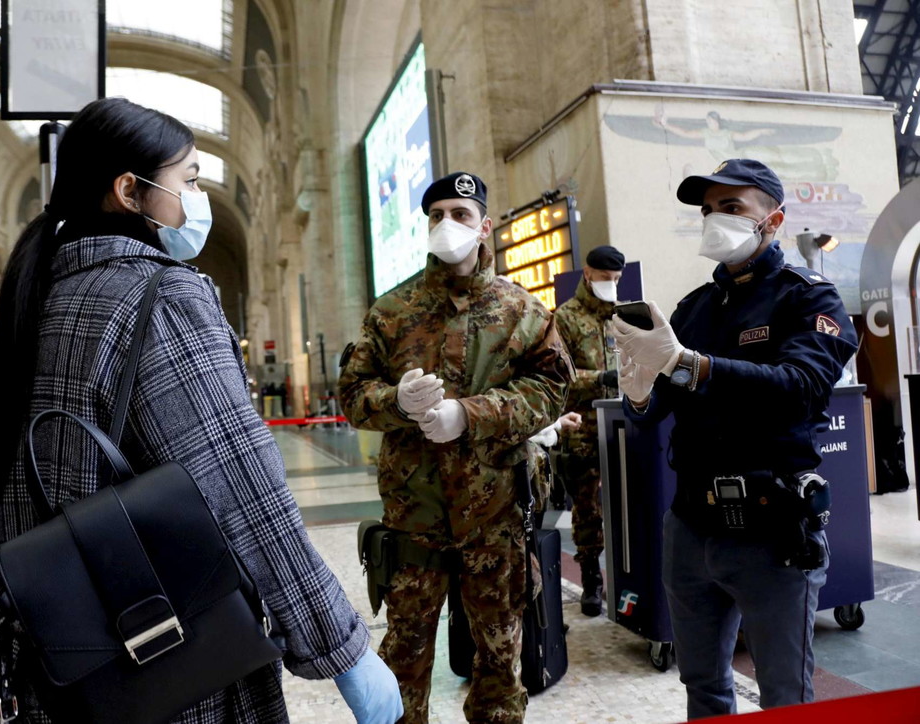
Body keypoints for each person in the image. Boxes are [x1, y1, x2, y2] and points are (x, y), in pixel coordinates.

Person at [0, 97, 402, 724]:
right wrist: (342, 650)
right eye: (190, 180)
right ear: (130, 191)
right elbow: (243, 490)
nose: (197, 196)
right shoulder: (162, 297)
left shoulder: (25, 314)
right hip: (169, 666)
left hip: (56, 670)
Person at [613, 159, 858, 718]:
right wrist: (641, 390)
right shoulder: (693, 310)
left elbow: (802, 385)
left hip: (772, 531)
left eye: (731, 207)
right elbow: (655, 416)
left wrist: (691, 365)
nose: (714, 220)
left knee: (784, 697)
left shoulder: (809, 298)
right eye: (707, 210)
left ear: (772, 219)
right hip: (691, 530)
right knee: (702, 687)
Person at [339, 171, 573, 724]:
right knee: (403, 658)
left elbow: (550, 390)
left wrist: (468, 415)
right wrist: (397, 401)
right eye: (436, 215)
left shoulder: (522, 311)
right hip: (414, 518)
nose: (447, 225)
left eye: (460, 215)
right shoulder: (391, 312)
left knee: (499, 658)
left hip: (493, 518)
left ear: (484, 225)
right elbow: (353, 393)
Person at [552, 244, 626, 616]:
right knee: (586, 509)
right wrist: (602, 378)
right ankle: (591, 580)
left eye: (616, 279)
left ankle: (628, 577)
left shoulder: (626, 317)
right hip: (581, 428)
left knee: (628, 504)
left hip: (623, 426)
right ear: (587, 274)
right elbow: (559, 377)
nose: (610, 285)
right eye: (604, 278)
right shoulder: (565, 318)